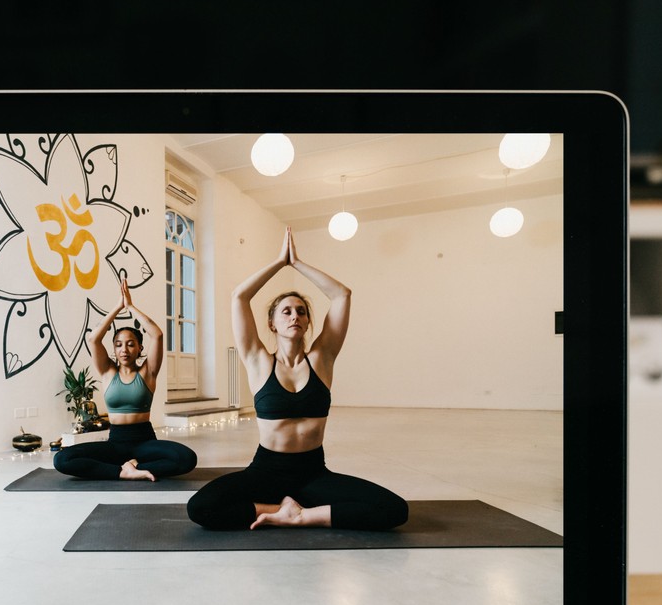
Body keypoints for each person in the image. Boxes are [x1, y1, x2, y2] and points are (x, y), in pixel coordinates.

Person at [186, 227, 408, 530]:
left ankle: (303, 515)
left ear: (307, 322)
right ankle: (277, 509)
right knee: (200, 508)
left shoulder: (322, 358)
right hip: (265, 473)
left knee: (395, 510)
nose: (295, 316)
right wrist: (280, 262)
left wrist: (298, 263)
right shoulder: (257, 360)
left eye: (301, 312)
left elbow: (341, 294)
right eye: (286, 311)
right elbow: (240, 296)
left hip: (314, 475)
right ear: (272, 323)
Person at [52, 277, 197, 482]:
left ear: (139, 349)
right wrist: (118, 308)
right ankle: (122, 471)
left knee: (187, 458)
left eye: (130, 344)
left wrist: (131, 306)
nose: (124, 349)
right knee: (62, 459)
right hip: (115, 443)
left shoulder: (148, 372)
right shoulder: (107, 372)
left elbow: (157, 334)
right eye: (118, 344)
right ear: (113, 349)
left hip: (145, 442)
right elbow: (94, 339)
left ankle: (135, 465)